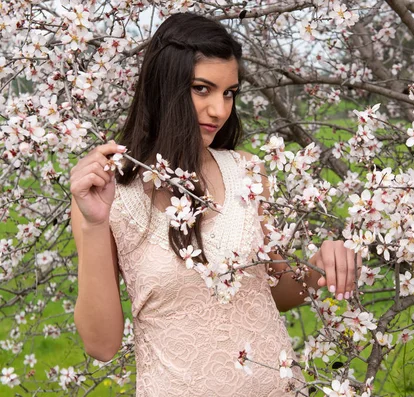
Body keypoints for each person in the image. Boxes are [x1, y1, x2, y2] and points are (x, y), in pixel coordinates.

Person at [69, 12, 359, 396]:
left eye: (229, 92)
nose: (220, 110)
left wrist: (318, 267)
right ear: (164, 88)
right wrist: (92, 226)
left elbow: (277, 290)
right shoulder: (109, 193)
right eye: (202, 89)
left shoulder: (247, 173)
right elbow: (101, 346)